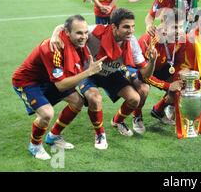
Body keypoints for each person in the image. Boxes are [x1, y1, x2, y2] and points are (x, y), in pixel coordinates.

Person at [51, 8, 158, 142]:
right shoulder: (94, 32)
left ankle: (118, 121)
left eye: (132, 27)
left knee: (135, 98)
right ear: (114, 27)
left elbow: (145, 74)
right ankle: (100, 134)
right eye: (126, 27)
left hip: (111, 73)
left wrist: (152, 61)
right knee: (95, 99)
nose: (131, 31)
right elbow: (66, 27)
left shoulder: (131, 42)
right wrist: (55, 35)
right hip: (89, 73)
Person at [12, 15, 106, 160]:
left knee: (77, 101)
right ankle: (35, 145)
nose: (84, 36)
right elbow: (61, 85)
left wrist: (57, 29)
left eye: (86, 32)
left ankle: (53, 136)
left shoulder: (75, 42)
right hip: (28, 81)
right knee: (46, 114)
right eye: (79, 33)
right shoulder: (54, 48)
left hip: (48, 79)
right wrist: (89, 72)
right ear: (67, 33)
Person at [138, 9, 186, 125]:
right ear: (164, 23)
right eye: (175, 27)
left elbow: (179, 63)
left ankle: (159, 109)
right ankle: (137, 115)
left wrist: (175, 84)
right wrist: (168, 86)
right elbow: (143, 74)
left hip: (163, 67)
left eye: (181, 27)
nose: (179, 31)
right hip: (142, 71)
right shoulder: (149, 40)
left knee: (183, 80)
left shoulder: (180, 38)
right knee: (143, 89)